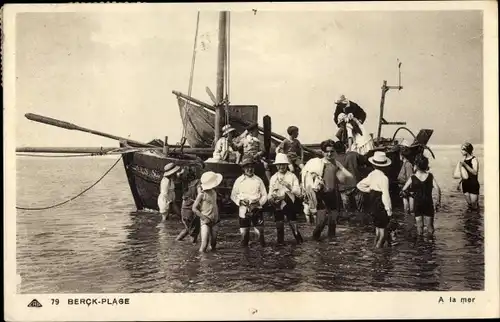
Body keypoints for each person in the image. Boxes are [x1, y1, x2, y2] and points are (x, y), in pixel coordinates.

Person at [302, 139, 354, 240]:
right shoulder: (318, 164)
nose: (329, 154)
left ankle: (331, 246)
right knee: (321, 223)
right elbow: (309, 178)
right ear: (322, 152)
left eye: (332, 151)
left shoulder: (336, 163)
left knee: (332, 223)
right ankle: (314, 242)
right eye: (327, 152)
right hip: (322, 195)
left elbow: (350, 176)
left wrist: (342, 175)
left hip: (334, 195)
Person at [356, 151, 393, 248]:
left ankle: (375, 248)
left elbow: (359, 185)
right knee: (383, 232)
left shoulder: (372, 174)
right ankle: (378, 250)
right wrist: (389, 209)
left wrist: (369, 190)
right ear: (385, 166)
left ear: (373, 165)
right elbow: (386, 195)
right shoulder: (384, 178)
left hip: (372, 202)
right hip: (380, 202)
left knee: (377, 228)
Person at [230, 155, 268, 247]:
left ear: (254, 167)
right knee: (244, 235)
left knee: (260, 234)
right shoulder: (239, 180)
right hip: (243, 210)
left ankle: (261, 255)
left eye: (251, 167)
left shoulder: (258, 180)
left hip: (257, 209)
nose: (249, 169)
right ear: (243, 168)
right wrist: (240, 202)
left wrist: (258, 203)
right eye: (247, 167)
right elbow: (233, 195)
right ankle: (245, 256)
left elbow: (265, 195)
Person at [401, 155, 441, 237]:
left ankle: (420, 245)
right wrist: (438, 201)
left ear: (416, 166)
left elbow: (403, 190)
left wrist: (411, 195)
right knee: (430, 226)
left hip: (417, 203)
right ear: (426, 165)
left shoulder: (412, 177)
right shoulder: (430, 176)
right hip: (428, 203)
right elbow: (438, 189)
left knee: (419, 226)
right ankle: (430, 243)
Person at [268, 153, 304, 245]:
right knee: (279, 225)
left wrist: (289, 187)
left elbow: (298, 192)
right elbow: (270, 193)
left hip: (290, 203)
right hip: (278, 203)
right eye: (279, 164)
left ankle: (299, 242)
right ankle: (280, 244)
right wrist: (272, 198)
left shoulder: (292, 176)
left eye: (283, 164)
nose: (281, 166)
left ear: (287, 165)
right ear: (276, 166)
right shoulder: (273, 177)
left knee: (293, 225)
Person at [332, 141, 366, 217]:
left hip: (343, 187)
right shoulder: (353, 154)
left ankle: (349, 223)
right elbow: (365, 160)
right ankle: (362, 219)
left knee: (347, 209)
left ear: (335, 150)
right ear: (345, 147)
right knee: (361, 208)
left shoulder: (334, 159)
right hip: (356, 185)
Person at [192, 171, 223, 252]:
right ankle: (202, 262)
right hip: (205, 221)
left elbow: (214, 206)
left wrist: (218, 217)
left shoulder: (214, 192)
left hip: (215, 221)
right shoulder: (202, 194)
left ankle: (211, 261)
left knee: (213, 244)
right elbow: (194, 208)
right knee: (204, 245)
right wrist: (203, 218)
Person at [176, 169, 202, 243]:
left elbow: (178, 175)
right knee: (193, 234)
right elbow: (199, 193)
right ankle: (192, 252)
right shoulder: (197, 182)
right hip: (192, 211)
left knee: (188, 229)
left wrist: (181, 172)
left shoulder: (185, 184)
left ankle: (177, 241)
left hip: (184, 211)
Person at [457, 142, 480, 211]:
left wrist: (465, 165)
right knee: (469, 205)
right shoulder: (463, 160)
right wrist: (459, 183)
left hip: (473, 184)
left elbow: (475, 172)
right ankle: (469, 220)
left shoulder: (474, 159)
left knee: (474, 205)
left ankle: (476, 220)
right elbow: (464, 174)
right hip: (465, 184)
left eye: (463, 149)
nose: (461, 151)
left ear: (467, 150)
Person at [397, 146, 415, 216]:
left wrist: (406, 189)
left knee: (408, 209)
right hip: (405, 188)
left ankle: (408, 220)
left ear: (402, 155)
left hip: (407, 189)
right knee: (406, 208)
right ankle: (408, 219)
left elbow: (410, 178)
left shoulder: (407, 165)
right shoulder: (405, 164)